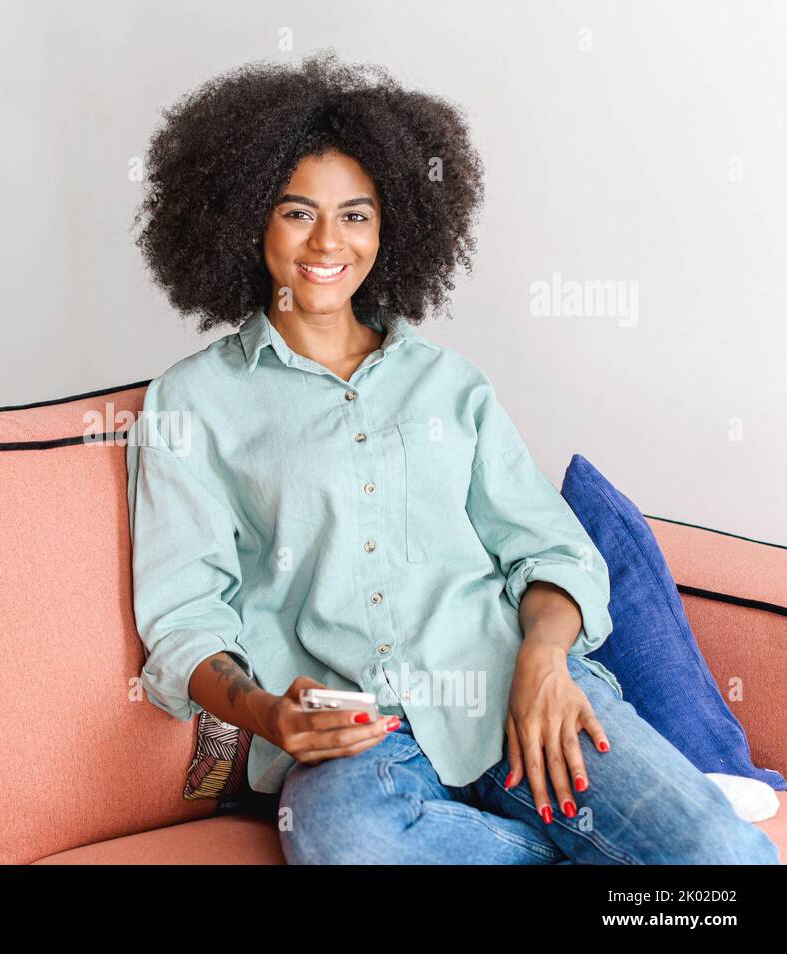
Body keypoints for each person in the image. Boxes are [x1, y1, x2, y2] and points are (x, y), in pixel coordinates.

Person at [124, 51, 780, 864]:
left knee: (727, 862)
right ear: (247, 218)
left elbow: (550, 550)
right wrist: (265, 713)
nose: (328, 241)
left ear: (391, 225)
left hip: (516, 690)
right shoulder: (192, 404)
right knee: (347, 849)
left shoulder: (450, 384)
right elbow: (184, 615)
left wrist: (544, 660)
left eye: (356, 215)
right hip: (353, 740)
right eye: (297, 213)